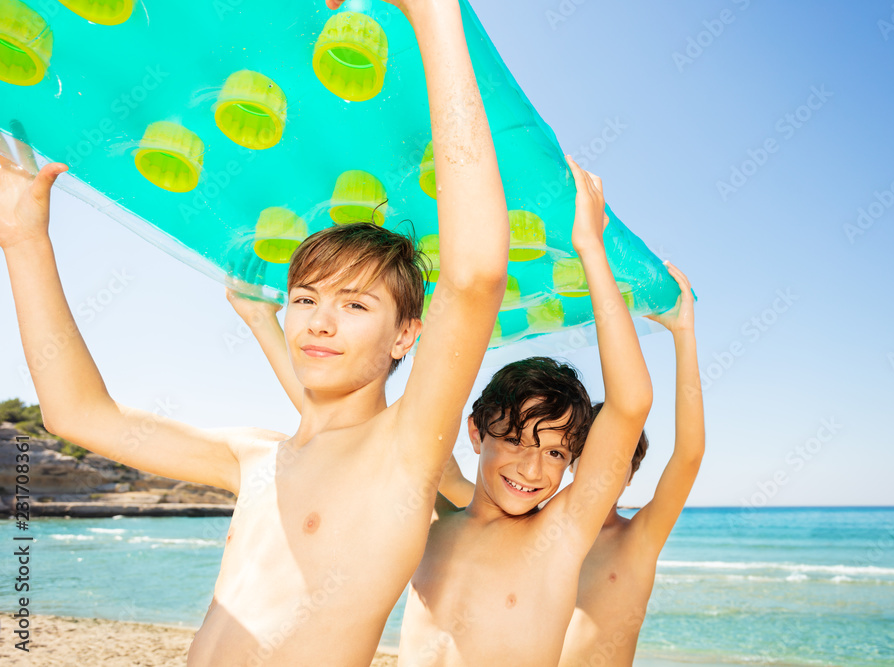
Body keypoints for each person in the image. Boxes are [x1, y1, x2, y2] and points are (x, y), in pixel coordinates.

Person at [0, 0, 509, 663]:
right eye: (306, 298)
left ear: (405, 335)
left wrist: (435, 17)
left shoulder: (403, 450)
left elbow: (473, 277)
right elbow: (79, 414)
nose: (320, 321)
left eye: (356, 306)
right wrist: (24, 240)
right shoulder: (256, 456)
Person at [438, 262, 704, 667]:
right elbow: (445, 472)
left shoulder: (623, 538)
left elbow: (683, 452)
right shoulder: (520, 519)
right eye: (516, 441)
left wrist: (683, 336)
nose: (531, 466)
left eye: (624, 464)